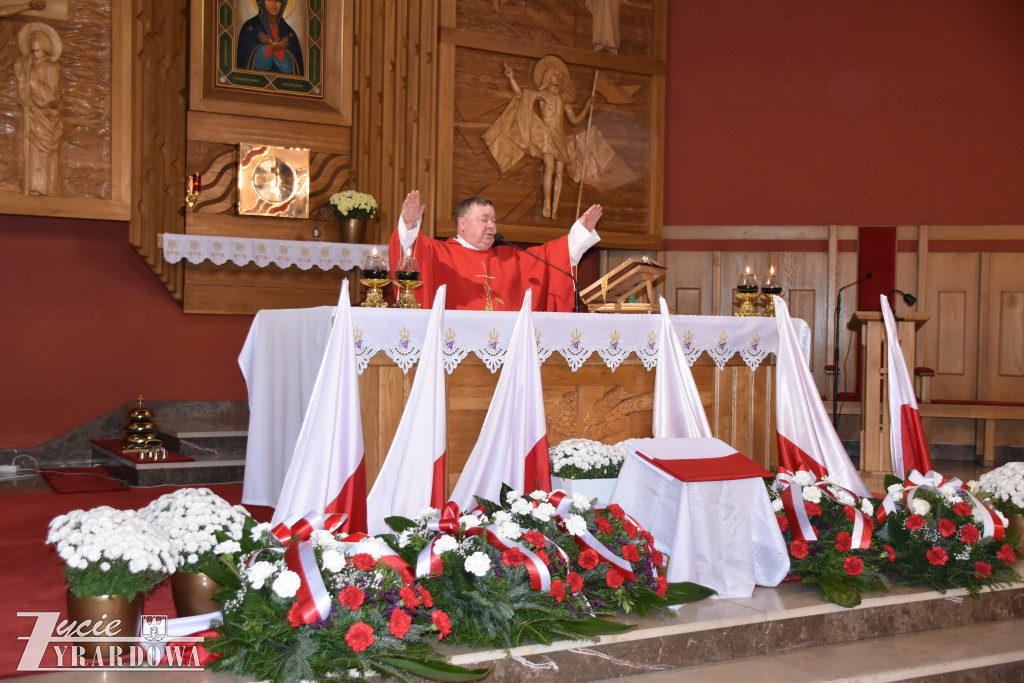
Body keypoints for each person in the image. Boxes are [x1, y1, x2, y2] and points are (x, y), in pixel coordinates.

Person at [389, 190, 602, 312]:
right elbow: (410, 253)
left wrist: (580, 233)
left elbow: (552, 258)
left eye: (493, 220)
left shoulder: (511, 257)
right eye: (484, 220)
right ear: (462, 224)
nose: (491, 225)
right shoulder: (439, 253)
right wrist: (409, 225)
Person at [15, 21, 61, 196]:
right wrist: (21, 80)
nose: (33, 41)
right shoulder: (28, 66)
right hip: (33, 118)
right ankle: (35, 187)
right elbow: (24, 101)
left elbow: (53, 97)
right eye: (32, 38)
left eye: (37, 38)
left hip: (47, 121)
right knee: (34, 155)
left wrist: (35, 83)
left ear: (46, 43)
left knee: (47, 155)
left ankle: (48, 190)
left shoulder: (52, 67)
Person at [236, 0, 304, 76]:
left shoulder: (289, 34)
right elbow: (246, 60)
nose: (274, 5)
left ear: (283, 3)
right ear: (261, 2)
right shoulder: (250, 28)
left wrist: (271, 47)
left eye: (278, 1)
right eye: (269, 0)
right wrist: (272, 48)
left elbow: (292, 67)